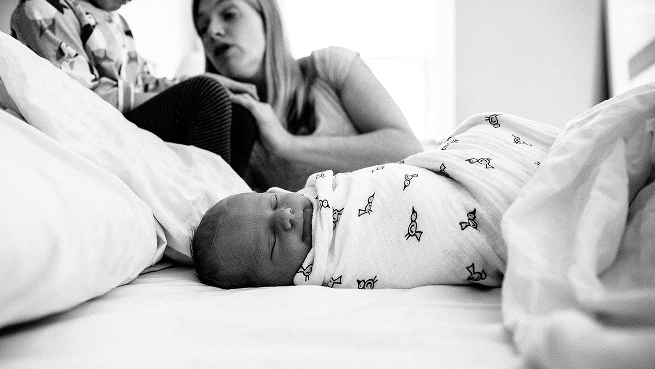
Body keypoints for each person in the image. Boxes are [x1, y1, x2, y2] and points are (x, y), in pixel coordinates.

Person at [192, 112, 561, 289]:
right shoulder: (326, 271)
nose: (286, 217)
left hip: (462, 169)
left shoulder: (323, 189)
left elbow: (394, 166)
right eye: (272, 243)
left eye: (273, 205)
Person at [1, 0, 256, 174]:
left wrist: (199, 82)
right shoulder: (44, 6)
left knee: (239, 114)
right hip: (98, 130)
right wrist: (199, 93)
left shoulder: (116, 22)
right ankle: (219, 205)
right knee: (205, 95)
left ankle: (239, 202)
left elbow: (144, 83)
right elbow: (76, 97)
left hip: (126, 128)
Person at [192, 0, 424, 191]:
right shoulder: (231, 126)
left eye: (229, 14)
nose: (212, 32)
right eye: (203, 28)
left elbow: (407, 149)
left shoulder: (330, 67)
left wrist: (288, 145)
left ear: (267, 18)